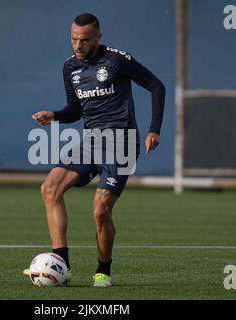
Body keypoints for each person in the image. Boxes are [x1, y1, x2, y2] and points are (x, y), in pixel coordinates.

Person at [25, 13, 165, 287]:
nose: (78, 45)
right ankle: (61, 261)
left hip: (122, 143)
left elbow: (155, 85)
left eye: (85, 40)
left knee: (100, 210)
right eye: (74, 39)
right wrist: (53, 115)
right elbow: (74, 111)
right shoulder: (70, 68)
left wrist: (154, 129)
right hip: (92, 141)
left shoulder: (117, 60)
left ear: (98, 38)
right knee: (49, 188)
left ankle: (103, 270)